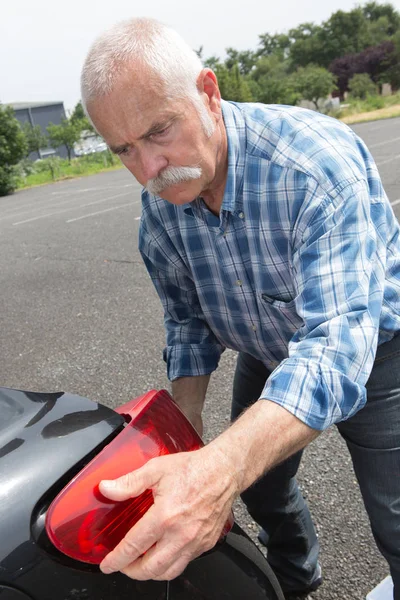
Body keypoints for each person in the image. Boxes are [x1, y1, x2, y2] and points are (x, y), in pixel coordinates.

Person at [81, 18, 400, 600]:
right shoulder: (162, 206)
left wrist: (219, 469)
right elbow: (187, 322)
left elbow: (336, 346)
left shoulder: (314, 167)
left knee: (396, 515)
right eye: (123, 149)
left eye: (158, 131)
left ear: (208, 91)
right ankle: (296, 581)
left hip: (374, 347)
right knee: (262, 488)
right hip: (267, 347)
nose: (148, 169)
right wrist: (187, 431)